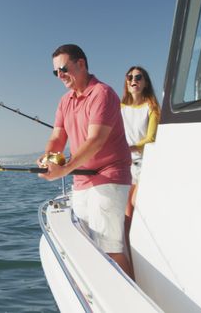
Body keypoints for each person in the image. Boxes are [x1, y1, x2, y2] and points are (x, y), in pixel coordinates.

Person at [37, 44, 133, 278]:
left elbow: (96, 141)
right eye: (55, 72)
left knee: (110, 248)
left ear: (81, 64)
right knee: (88, 245)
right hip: (82, 180)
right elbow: (58, 137)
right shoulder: (65, 101)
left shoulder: (102, 93)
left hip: (109, 176)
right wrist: (49, 159)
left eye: (63, 69)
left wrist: (65, 169)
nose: (59, 76)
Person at [121, 66, 160, 256]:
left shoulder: (151, 107)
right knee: (126, 213)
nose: (133, 80)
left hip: (145, 165)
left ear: (145, 83)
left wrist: (129, 148)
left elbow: (151, 139)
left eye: (138, 77)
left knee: (135, 203)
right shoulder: (120, 108)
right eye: (130, 77)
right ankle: (130, 253)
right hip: (125, 165)